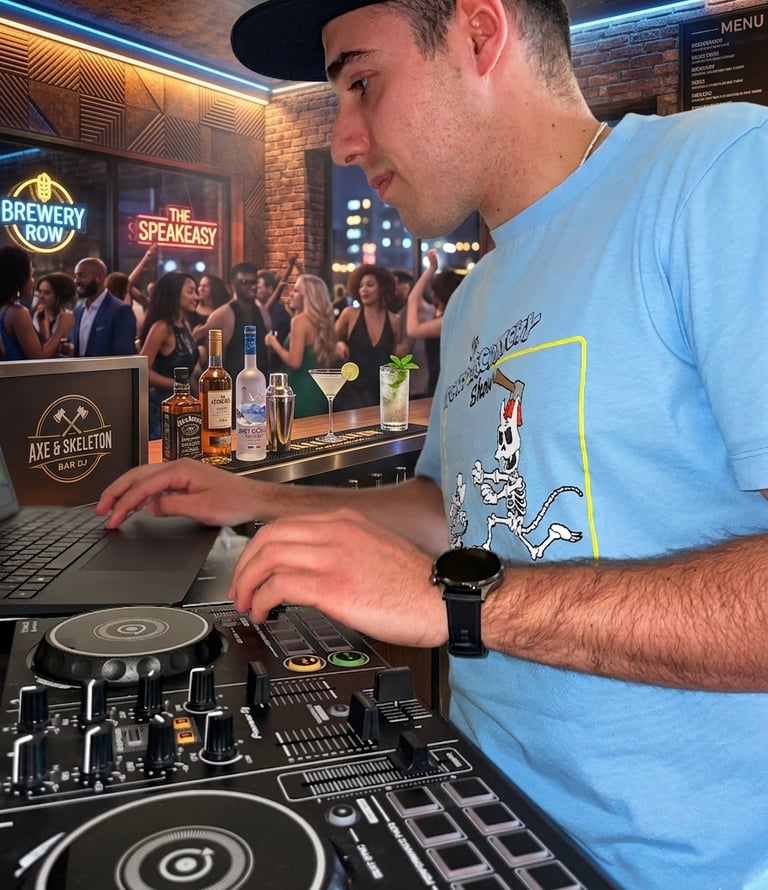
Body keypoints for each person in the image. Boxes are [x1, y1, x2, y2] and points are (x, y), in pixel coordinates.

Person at [97, 2, 768, 887]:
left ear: (481, 33)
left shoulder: (719, 172)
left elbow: (457, 582)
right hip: (482, 812)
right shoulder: (483, 287)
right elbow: (452, 504)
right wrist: (261, 500)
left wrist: (457, 607)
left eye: (362, 83)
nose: (343, 139)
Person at [264, 274, 339, 418]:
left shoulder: (299, 321)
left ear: (308, 296)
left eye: (296, 290)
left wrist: (273, 342)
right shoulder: (322, 321)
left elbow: (294, 362)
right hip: (318, 391)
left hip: (300, 390)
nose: (291, 294)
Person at [192, 262, 270, 399]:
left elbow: (267, 352)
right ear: (233, 284)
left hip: (259, 389)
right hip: (232, 393)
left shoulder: (262, 312)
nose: (252, 287)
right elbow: (198, 347)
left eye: (254, 282)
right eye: (245, 282)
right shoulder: (222, 315)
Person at [138, 271, 201, 439]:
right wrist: (177, 385)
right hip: (162, 411)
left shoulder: (184, 324)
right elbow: (141, 370)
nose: (196, 297)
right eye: (190, 291)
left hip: (184, 408)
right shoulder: (162, 327)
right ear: (174, 294)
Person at [335, 263, 404, 408]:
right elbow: (329, 341)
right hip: (351, 393)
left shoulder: (395, 321)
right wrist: (338, 343)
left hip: (382, 394)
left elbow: (397, 362)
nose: (364, 289)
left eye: (370, 285)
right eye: (361, 286)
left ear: (382, 288)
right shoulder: (349, 314)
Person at [0, 246, 74, 360]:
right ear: (19, 277)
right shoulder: (18, 313)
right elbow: (38, 357)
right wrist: (61, 329)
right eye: (31, 275)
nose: (32, 280)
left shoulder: (4, 309)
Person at [405, 250, 463, 394]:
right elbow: (415, 300)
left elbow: (413, 328)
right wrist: (432, 269)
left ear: (438, 295)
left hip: (443, 384)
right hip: (441, 382)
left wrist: (431, 269)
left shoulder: (447, 321)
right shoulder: (449, 316)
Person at [71, 257, 137, 357]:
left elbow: (124, 358)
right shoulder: (77, 311)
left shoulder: (121, 311)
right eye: (75, 276)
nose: (77, 281)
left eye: (82, 276)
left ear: (99, 278)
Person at [33, 271, 77, 354]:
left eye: (47, 293)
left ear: (59, 295)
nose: (41, 296)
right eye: (40, 292)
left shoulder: (68, 318)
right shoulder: (36, 315)